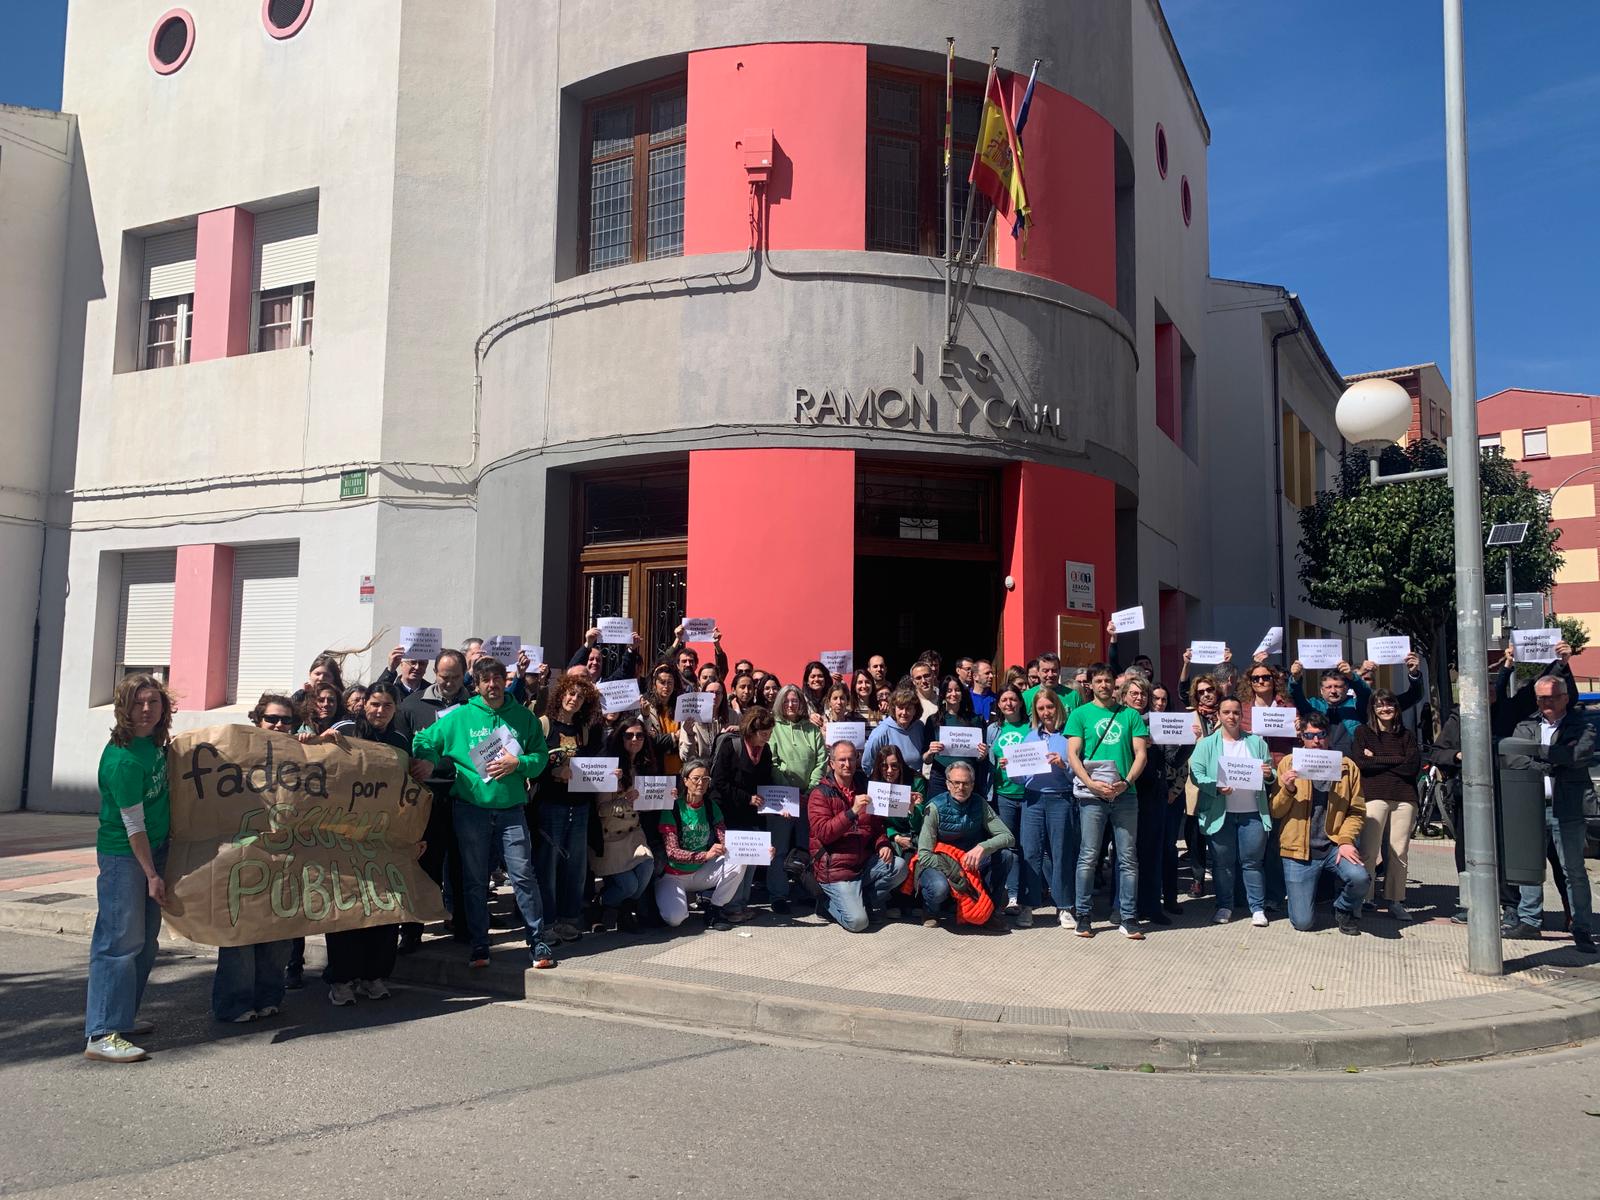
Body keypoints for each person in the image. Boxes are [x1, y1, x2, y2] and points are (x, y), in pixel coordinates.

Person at [411, 656, 555, 969]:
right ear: (475, 684)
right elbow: (423, 739)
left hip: (511, 811)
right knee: (475, 881)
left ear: (505, 680)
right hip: (470, 810)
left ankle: (538, 942)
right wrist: (429, 760)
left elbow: (540, 757)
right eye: (485, 679)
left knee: (524, 877)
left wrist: (520, 764)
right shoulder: (460, 716)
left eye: (498, 678)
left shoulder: (522, 717)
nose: (492, 685)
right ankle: (479, 944)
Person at [318, 683, 428, 1004]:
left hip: (383, 838)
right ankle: (341, 980)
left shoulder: (399, 742)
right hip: (342, 837)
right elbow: (317, 765)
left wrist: (414, 834)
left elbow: (407, 792)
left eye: (387, 706)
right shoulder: (344, 729)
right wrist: (320, 743)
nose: (380, 712)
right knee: (346, 909)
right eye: (375, 704)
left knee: (384, 908)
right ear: (364, 703)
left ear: (396, 709)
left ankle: (374, 976)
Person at [83, 674, 174, 1063]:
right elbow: (132, 824)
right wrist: (152, 874)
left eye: (153, 702)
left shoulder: (152, 744)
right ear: (124, 708)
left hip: (154, 850)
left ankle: (122, 1018)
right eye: (139, 703)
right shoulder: (123, 759)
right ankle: (102, 1032)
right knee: (118, 943)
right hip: (126, 857)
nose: (147, 710)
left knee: (144, 942)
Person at [210, 695, 300, 1023]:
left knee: (278, 933)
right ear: (258, 720)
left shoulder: (304, 757)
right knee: (240, 935)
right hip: (243, 856)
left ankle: (268, 996)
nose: (279, 725)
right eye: (272, 719)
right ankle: (234, 1003)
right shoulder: (235, 754)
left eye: (286, 720)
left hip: (287, 857)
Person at [1500, 675, 1596, 951]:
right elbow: (1515, 758)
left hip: (1568, 807)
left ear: (1565, 697)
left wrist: (1538, 754)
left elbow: (1578, 756)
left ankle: (1581, 927)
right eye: (1541, 697)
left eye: (1552, 696)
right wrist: (1552, 757)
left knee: (1573, 869)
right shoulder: (1526, 725)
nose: (1546, 702)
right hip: (1530, 805)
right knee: (1530, 865)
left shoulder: (1581, 725)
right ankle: (1530, 921)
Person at [391, 649, 472, 952]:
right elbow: (401, 750)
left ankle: (464, 926)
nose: (449, 682)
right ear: (435, 672)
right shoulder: (411, 706)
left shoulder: (475, 707)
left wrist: (444, 765)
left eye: (455, 677)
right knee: (424, 866)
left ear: (464, 674)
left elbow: (478, 751)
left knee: (464, 866)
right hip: (426, 799)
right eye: (443, 676)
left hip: (466, 795)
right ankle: (412, 932)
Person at [1065, 666, 1151, 939]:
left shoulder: (1130, 716)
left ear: (1115, 684)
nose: (1103, 685)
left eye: (1107, 680)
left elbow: (1140, 754)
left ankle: (1128, 917)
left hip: (1125, 795)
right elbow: (1073, 754)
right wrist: (1090, 783)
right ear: (1090, 685)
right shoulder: (1080, 714)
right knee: (1088, 856)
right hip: (1092, 795)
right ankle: (1084, 915)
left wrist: (1126, 782)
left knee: (1127, 858)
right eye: (1098, 681)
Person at [1271, 713, 1368, 934]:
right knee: (1303, 923)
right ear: (1301, 738)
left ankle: (1343, 908)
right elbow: (1276, 811)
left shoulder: (1347, 766)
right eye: (1309, 735)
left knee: (1360, 878)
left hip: (1334, 846)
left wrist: (1345, 840)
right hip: (1298, 850)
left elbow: (1357, 810)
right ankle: (1304, 902)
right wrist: (1288, 789)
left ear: (1328, 736)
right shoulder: (1288, 763)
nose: (1316, 741)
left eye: (1321, 735)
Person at [1189, 697, 1275, 927]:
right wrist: (1215, 785)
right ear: (1218, 715)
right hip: (1221, 814)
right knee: (1222, 864)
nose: (1232, 716)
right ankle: (1224, 905)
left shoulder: (1256, 742)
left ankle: (1256, 908)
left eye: (1236, 712)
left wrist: (1268, 774)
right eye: (1226, 712)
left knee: (1252, 863)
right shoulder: (1207, 744)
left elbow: (1270, 771)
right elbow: (1195, 773)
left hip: (1252, 812)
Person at [535, 672, 607, 943]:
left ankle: (568, 920)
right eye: (571, 693)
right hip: (550, 806)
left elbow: (593, 764)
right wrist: (555, 772)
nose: (574, 700)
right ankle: (547, 923)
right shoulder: (543, 725)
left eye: (580, 697)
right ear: (561, 694)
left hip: (579, 807)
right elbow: (533, 765)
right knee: (548, 867)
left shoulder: (583, 730)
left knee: (575, 868)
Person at [808, 741, 908, 931]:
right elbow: (824, 833)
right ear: (832, 763)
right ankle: (826, 905)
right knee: (858, 923)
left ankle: (866, 901)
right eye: (842, 760)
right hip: (836, 870)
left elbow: (876, 825)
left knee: (899, 867)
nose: (847, 764)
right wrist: (851, 812)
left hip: (862, 863)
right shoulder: (820, 794)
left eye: (851, 759)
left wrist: (883, 844)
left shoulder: (865, 786)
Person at [915, 761, 1015, 929]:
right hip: (940, 863)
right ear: (948, 784)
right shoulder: (934, 807)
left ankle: (990, 911)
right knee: (938, 888)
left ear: (972, 784)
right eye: (956, 783)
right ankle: (930, 911)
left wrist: (983, 847)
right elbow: (925, 854)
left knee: (1005, 856)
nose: (961, 787)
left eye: (966, 783)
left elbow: (1008, 836)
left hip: (969, 861)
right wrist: (954, 868)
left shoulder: (979, 803)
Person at [1353, 688, 1422, 920]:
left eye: (1389, 704)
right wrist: (1394, 760)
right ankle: (1365, 898)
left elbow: (1411, 767)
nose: (1385, 709)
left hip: (1405, 798)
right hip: (1374, 796)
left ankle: (1395, 900)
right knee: (1369, 851)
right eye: (1379, 705)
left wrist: (1377, 759)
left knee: (1399, 852)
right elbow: (1361, 764)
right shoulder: (1363, 732)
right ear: (1373, 709)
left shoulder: (1408, 735)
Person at [656, 759, 747, 929]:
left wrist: (760, 852)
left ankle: (715, 909)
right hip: (674, 874)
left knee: (739, 861)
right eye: (696, 778)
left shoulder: (711, 807)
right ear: (685, 780)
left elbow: (726, 839)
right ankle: (667, 900)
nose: (701, 783)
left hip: (700, 872)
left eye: (706, 779)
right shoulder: (673, 808)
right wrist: (704, 855)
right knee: (675, 919)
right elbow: (672, 852)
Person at [589, 716, 660, 931]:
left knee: (648, 866)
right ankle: (604, 903)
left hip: (634, 833)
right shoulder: (609, 765)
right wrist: (623, 796)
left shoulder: (644, 764)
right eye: (629, 735)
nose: (635, 739)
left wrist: (666, 794)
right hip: (610, 837)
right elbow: (601, 810)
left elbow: (651, 798)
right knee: (629, 885)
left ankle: (623, 910)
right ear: (620, 737)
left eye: (640, 735)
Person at [1016, 688, 1078, 928]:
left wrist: (1063, 765)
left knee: (1061, 853)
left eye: (1049, 707)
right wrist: (1010, 769)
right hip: (1032, 799)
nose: (1045, 713)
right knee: (1030, 851)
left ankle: (1064, 906)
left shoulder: (1069, 737)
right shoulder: (1030, 737)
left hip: (1060, 799)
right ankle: (1028, 906)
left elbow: (1077, 775)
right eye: (1041, 709)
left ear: (1058, 708)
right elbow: (1021, 779)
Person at [710, 706, 775, 920]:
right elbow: (719, 782)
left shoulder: (765, 751)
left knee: (753, 858)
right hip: (730, 811)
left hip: (752, 814)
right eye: (764, 734)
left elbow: (766, 782)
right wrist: (746, 798)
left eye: (769, 734)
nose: (767, 738)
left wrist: (778, 805)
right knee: (736, 860)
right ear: (752, 730)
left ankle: (743, 903)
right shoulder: (732, 746)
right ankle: (730, 906)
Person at [769, 685, 826, 914]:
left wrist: (810, 788)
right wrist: (788, 791)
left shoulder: (812, 730)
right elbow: (772, 761)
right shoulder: (773, 728)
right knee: (779, 848)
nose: (791, 705)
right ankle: (778, 894)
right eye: (786, 701)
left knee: (805, 847)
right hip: (780, 799)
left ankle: (805, 891)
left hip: (808, 797)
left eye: (795, 701)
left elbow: (822, 760)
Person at [1120, 675, 1170, 925]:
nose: (1140, 699)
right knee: (1128, 854)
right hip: (1127, 793)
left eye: (1144, 695)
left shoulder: (1158, 722)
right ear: (1125, 696)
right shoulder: (1118, 720)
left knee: (1153, 852)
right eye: (1134, 694)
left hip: (1154, 794)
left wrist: (1187, 743)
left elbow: (1172, 758)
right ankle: (1126, 907)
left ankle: (1152, 906)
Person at [986, 685, 1033, 915]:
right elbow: (987, 760)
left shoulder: (1032, 727)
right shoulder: (993, 730)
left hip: (1029, 793)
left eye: (1013, 699)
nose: (1008, 704)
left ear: (1020, 702)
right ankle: (1013, 895)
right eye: (1004, 700)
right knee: (1011, 845)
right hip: (1004, 793)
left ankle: (1032, 893)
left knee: (1031, 846)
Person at [1174, 675, 1221, 898]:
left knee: (1220, 837)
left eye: (1209, 689)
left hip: (1222, 785)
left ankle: (1223, 881)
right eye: (1201, 692)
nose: (1206, 694)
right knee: (1194, 836)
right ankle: (1197, 878)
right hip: (1194, 784)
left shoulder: (1227, 714)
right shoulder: (1189, 719)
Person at [872, 744, 928, 889]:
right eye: (884, 766)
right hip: (888, 834)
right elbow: (874, 822)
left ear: (901, 766)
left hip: (913, 834)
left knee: (912, 856)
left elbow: (920, 825)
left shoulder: (916, 782)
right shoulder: (875, 784)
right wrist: (894, 836)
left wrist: (912, 808)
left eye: (894, 766)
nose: (889, 771)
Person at [923, 674, 988, 795]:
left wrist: (983, 754)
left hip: (966, 779)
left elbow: (980, 757)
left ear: (963, 693)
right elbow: (926, 759)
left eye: (957, 690)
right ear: (943, 694)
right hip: (940, 778)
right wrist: (930, 752)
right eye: (949, 690)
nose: (953, 694)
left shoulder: (974, 719)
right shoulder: (933, 720)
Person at [1287, 660, 1371, 737]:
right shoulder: (1313, 705)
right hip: (1321, 751)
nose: (1333, 691)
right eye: (1328, 687)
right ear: (1321, 690)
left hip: (1351, 752)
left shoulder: (1355, 705)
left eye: (1338, 686)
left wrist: (1352, 676)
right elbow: (1296, 697)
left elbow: (1365, 693)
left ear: (1346, 688)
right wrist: (1295, 679)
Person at [863, 686, 928, 776]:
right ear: (894, 709)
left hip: (915, 784)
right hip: (889, 785)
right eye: (900, 708)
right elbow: (867, 764)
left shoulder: (919, 727)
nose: (904, 712)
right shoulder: (881, 732)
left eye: (908, 708)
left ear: (915, 710)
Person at [1021, 651, 1075, 720]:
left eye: (1054, 670)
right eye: (1045, 671)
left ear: (1059, 671)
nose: (1050, 675)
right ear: (1038, 672)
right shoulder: (1026, 697)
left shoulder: (1073, 696)